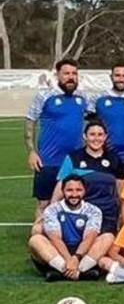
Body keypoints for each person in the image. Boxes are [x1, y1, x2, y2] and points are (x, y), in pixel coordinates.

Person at [27, 58, 88, 217]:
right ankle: (38, 236)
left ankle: (66, 236)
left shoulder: (82, 98)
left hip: (74, 161)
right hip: (48, 160)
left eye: (74, 73)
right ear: (57, 75)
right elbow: (30, 120)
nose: (71, 77)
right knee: (44, 203)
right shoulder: (44, 96)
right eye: (66, 73)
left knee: (74, 200)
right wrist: (32, 151)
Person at [28, 175, 112, 282]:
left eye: (78, 190)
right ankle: (77, 273)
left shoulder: (93, 210)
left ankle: (66, 272)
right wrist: (69, 260)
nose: (74, 194)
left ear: (84, 191)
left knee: (108, 237)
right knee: (35, 240)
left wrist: (76, 258)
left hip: (82, 253)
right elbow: (55, 238)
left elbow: (89, 237)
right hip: (58, 251)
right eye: (69, 190)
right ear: (63, 191)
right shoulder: (52, 209)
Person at [55, 120, 124, 236]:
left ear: (105, 137)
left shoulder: (114, 158)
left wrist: (121, 214)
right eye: (92, 134)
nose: (96, 138)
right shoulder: (73, 157)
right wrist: (53, 211)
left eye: (100, 135)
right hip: (80, 212)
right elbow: (59, 189)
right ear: (84, 136)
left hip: (107, 213)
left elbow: (120, 190)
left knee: (104, 243)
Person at [90, 62, 124, 179]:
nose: (121, 79)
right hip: (104, 155)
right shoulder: (98, 99)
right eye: (117, 75)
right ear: (111, 77)